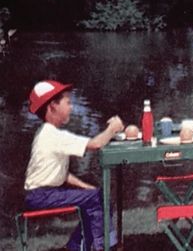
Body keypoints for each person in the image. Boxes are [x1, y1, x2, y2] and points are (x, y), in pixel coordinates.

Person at [23, 80, 124, 251]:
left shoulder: (46, 133)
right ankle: (104, 246)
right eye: (68, 102)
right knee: (96, 197)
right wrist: (112, 129)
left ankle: (77, 246)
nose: (72, 107)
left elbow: (60, 174)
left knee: (95, 195)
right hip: (42, 195)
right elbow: (95, 144)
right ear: (52, 106)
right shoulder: (52, 135)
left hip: (42, 194)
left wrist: (85, 187)